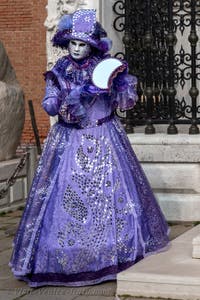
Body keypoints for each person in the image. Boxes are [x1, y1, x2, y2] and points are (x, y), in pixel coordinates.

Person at [9, 9, 170, 287]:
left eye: (82, 44)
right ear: (65, 43)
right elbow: (50, 102)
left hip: (105, 138)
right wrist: (60, 99)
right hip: (69, 142)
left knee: (109, 196)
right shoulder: (60, 70)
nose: (77, 48)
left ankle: (111, 253)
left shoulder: (104, 66)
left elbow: (124, 101)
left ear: (92, 45)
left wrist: (115, 87)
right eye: (72, 43)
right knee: (68, 196)